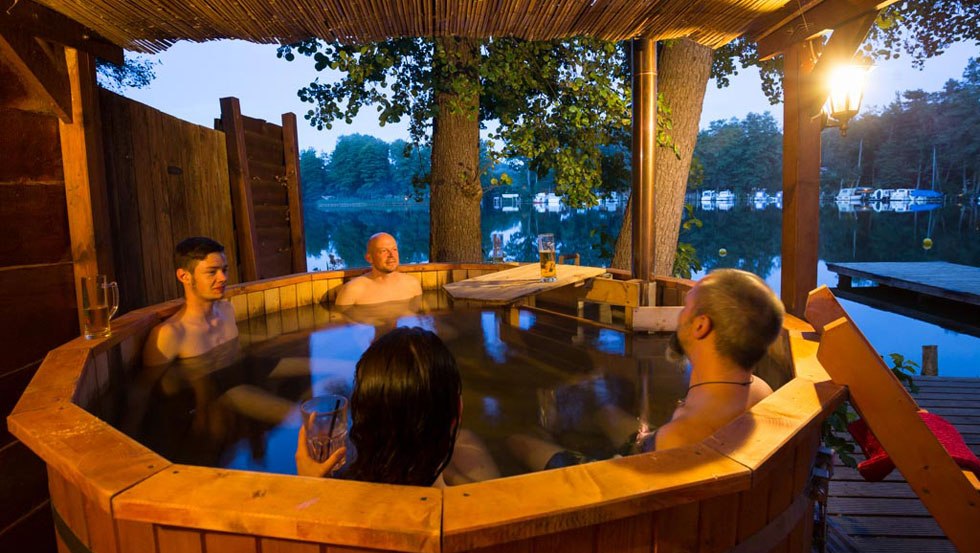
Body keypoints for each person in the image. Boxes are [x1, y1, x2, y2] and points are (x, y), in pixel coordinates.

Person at [509, 268, 784, 470]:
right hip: (651, 446)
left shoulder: (683, 435)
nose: (680, 316)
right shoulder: (758, 390)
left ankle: (539, 435)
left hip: (622, 477)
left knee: (519, 441)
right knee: (602, 409)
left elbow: (626, 484)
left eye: (686, 307)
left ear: (701, 326)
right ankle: (585, 407)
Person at [296, 326, 498, 486]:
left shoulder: (341, 481)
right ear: (458, 410)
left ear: (360, 417)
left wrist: (312, 487)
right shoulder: (476, 512)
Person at [142, 237, 238, 366]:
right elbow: (149, 385)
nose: (223, 278)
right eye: (211, 272)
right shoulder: (170, 334)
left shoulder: (227, 310)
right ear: (184, 276)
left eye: (224, 270)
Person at [334, 232, 422, 306]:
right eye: (383, 251)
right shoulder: (352, 291)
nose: (391, 255)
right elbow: (341, 323)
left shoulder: (412, 284)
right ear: (369, 258)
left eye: (394, 249)